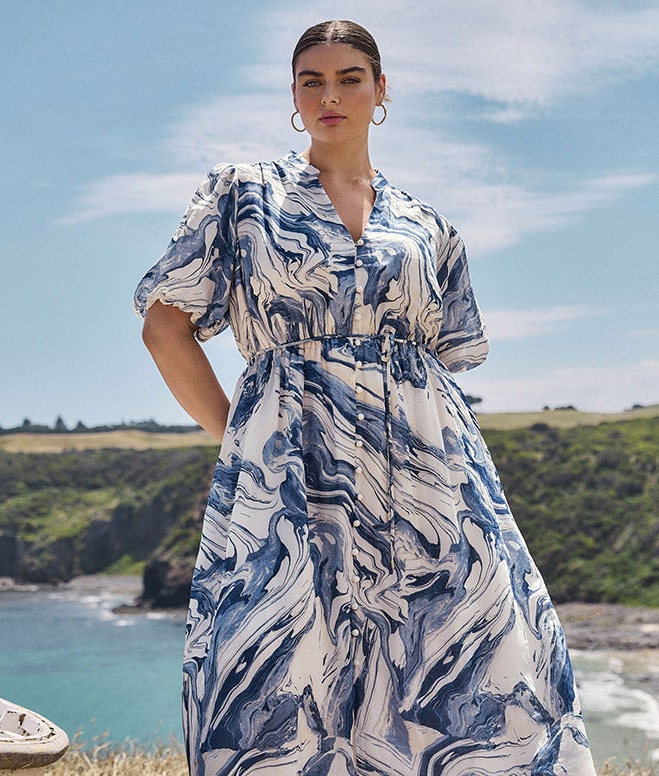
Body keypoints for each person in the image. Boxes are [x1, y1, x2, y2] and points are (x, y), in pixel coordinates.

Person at [135, 19, 596, 776]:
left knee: (466, 646)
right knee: (280, 662)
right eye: (310, 80)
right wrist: (240, 441)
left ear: (381, 92)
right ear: (292, 96)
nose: (330, 95)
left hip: (429, 469)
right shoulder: (245, 194)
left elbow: (446, 360)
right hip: (289, 465)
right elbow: (164, 326)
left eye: (350, 77)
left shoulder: (428, 225)